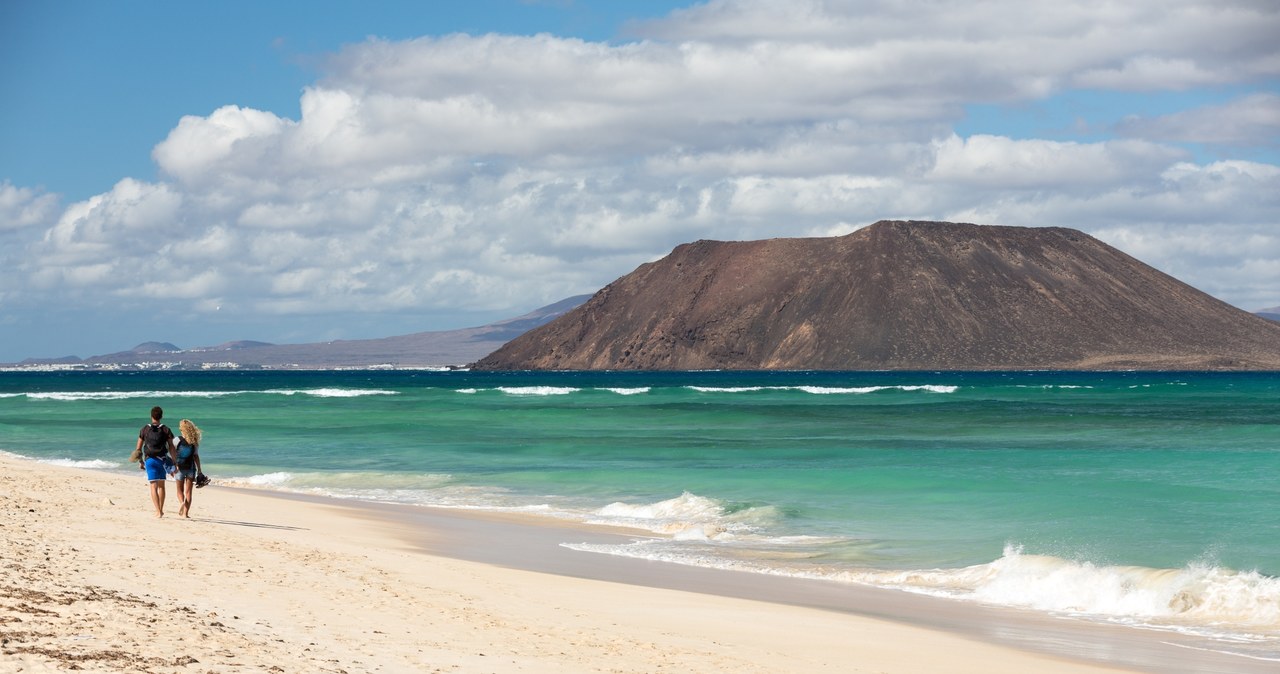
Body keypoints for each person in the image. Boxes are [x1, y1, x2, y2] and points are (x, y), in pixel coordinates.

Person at [135, 406, 177, 517]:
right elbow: (171, 447)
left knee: (153, 486)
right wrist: (174, 461)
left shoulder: (144, 429)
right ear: (161, 416)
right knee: (161, 486)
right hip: (162, 460)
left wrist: (140, 461)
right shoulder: (166, 429)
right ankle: (161, 510)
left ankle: (157, 511)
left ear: (151, 416)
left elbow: (138, 449)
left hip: (149, 460)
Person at [173, 419, 203, 518]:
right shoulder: (194, 442)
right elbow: (196, 456)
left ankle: (181, 502)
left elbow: (171, 452)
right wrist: (199, 470)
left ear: (181, 429)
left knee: (179, 490)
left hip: (179, 468)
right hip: (191, 468)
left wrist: (173, 464)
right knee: (189, 492)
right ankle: (186, 514)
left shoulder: (177, 440)